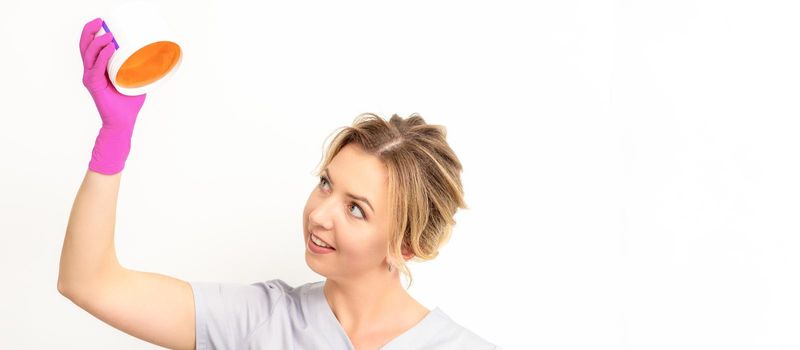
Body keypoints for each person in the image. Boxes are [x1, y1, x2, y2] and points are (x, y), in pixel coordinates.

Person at [58, 17, 500, 350]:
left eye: (356, 208)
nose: (319, 214)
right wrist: (113, 139)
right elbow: (90, 282)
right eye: (326, 184)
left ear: (405, 246)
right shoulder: (259, 322)